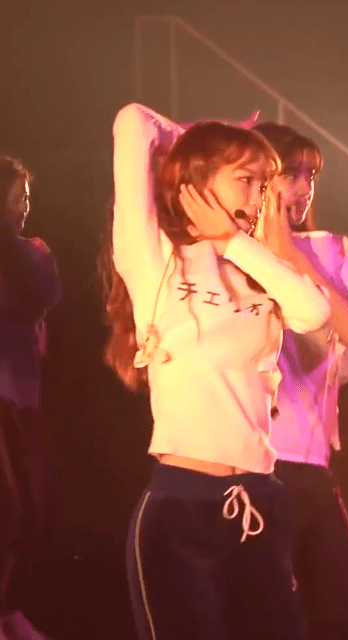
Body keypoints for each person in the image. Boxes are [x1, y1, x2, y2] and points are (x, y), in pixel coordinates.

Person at [104, 103, 331, 640]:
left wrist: (232, 242)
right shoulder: (155, 260)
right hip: (181, 508)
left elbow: (314, 313)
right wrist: (189, 138)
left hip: (261, 499)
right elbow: (132, 121)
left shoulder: (255, 266)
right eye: (246, 180)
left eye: (264, 185)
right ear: (201, 181)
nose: (258, 198)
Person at [253, 122, 348, 640]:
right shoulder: (232, 254)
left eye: (312, 175)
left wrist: (289, 253)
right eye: (293, 173)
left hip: (313, 464)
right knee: (270, 616)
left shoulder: (330, 248)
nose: (305, 186)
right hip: (254, 463)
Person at [0, 155, 61, 640]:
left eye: (27, 197)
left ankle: (9, 607)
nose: (25, 206)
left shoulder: (33, 251)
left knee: (30, 509)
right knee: (10, 509)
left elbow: (40, 291)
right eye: (17, 196)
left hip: (22, 397)